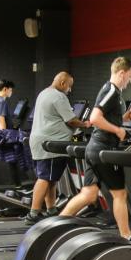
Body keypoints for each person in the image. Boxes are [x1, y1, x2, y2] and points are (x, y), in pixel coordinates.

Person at [62, 57, 131, 243]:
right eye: (130, 76)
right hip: (103, 150)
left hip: (95, 148)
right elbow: (94, 118)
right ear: (122, 73)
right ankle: (127, 236)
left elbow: (104, 117)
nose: (130, 81)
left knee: (88, 194)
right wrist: (118, 130)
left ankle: (55, 226)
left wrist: (122, 118)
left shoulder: (111, 92)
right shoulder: (111, 90)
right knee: (120, 194)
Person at [25, 72, 85, 225]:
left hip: (41, 141)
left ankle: (51, 209)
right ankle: (33, 214)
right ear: (63, 82)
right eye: (69, 86)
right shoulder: (59, 96)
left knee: (51, 178)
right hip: (52, 144)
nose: (69, 90)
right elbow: (71, 120)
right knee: (45, 177)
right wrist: (87, 123)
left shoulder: (43, 93)